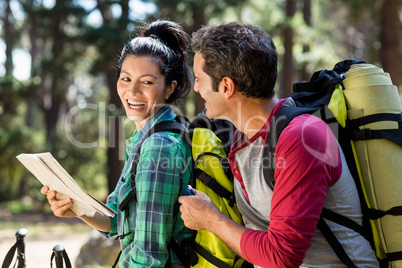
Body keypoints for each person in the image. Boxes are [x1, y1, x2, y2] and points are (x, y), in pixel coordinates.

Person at [178, 22, 379, 267]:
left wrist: (211, 219)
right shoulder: (243, 138)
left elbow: (283, 256)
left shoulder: (302, 138)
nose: (196, 88)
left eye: (199, 79)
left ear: (226, 87)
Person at [41, 20, 193, 267]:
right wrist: (74, 206)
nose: (132, 92)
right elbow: (116, 221)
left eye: (146, 82)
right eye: (125, 78)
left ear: (169, 88)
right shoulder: (146, 138)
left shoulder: (159, 147)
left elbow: (148, 258)